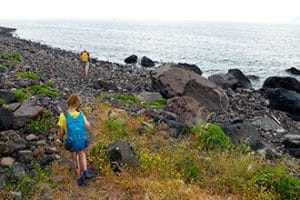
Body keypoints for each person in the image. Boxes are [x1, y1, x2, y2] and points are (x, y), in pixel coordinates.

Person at [57, 94, 91, 186]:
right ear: (77, 104)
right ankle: (85, 171)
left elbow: (61, 132)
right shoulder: (80, 114)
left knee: (75, 157)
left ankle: (79, 178)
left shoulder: (63, 115)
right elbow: (88, 127)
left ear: (68, 103)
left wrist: (60, 140)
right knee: (81, 152)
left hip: (71, 142)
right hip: (81, 140)